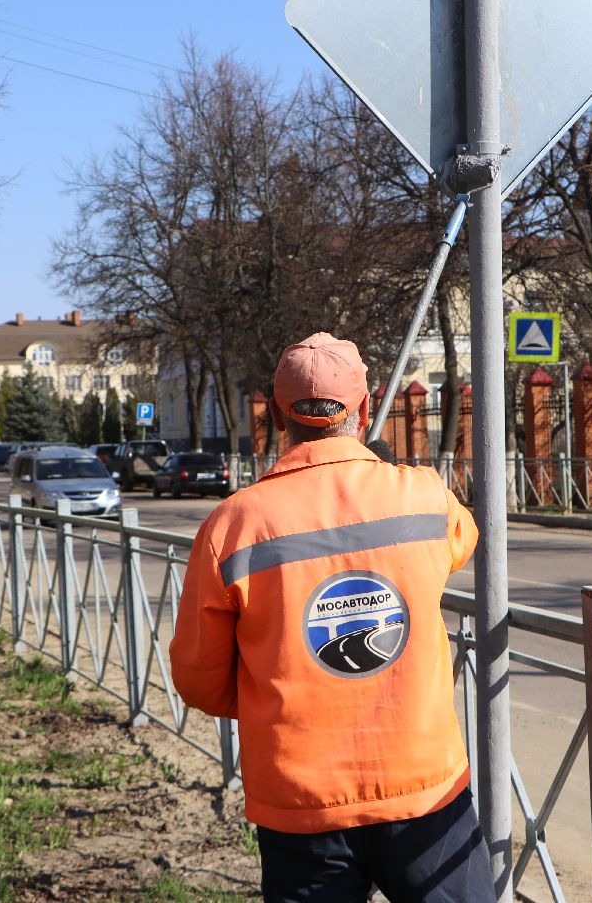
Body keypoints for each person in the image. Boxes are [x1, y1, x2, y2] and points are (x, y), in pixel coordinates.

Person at [171, 332, 495, 903]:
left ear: (276, 414)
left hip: (300, 802)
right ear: (366, 408)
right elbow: (462, 542)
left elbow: (198, 679)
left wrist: (272, 695)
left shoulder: (232, 525)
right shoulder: (423, 495)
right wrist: (382, 474)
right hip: (423, 790)